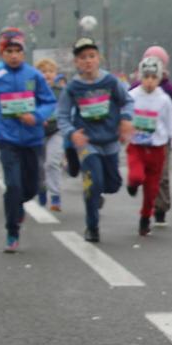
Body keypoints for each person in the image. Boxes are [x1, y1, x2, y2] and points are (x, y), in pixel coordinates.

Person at [0, 28, 57, 252]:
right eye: (9, 51)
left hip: (33, 140)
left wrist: (36, 116)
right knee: (13, 185)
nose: (14, 55)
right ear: (2, 53)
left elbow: (49, 101)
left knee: (32, 187)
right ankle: (12, 230)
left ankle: (17, 206)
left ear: (23, 53)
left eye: (18, 50)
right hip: (7, 140)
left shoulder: (34, 76)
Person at [57, 37, 134, 244]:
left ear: (98, 58)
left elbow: (127, 101)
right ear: (76, 62)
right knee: (93, 183)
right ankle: (92, 227)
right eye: (82, 58)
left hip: (109, 140)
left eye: (91, 56)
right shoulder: (72, 87)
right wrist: (72, 133)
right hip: (87, 142)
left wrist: (126, 120)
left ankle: (97, 193)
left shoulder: (110, 82)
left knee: (113, 184)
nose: (88, 61)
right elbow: (62, 116)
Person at [126, 57, 172, 237]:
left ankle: (145, 218)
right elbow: (122, 117)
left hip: (157, 149)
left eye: (154, 77)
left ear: (159, 78)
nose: (150, 81)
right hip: (137, 146)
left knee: (152, 189)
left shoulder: (164, 100)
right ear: (140, 77)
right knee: (137, 176)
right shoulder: (132, 96)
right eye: (146, 77)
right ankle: (133, 183)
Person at [135, 46, 172, 228]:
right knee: (141, 174)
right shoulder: (135, 89)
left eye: (158, 63)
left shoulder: (170, 90)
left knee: (161, 175)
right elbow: (124, 105)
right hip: (139, 139)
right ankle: (146, 203)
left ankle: (160, 208)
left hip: (162, 140)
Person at [34, 58, 64, 211]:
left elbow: (67, 110)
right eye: (43, 72)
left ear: (56, 74)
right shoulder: (33, 92)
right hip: (37, 133)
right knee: (38, 166)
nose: (47, 75)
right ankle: (41, 187)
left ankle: (55, 196)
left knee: (52, 162)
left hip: (56, 132)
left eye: (50, 72)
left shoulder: (61, 92)